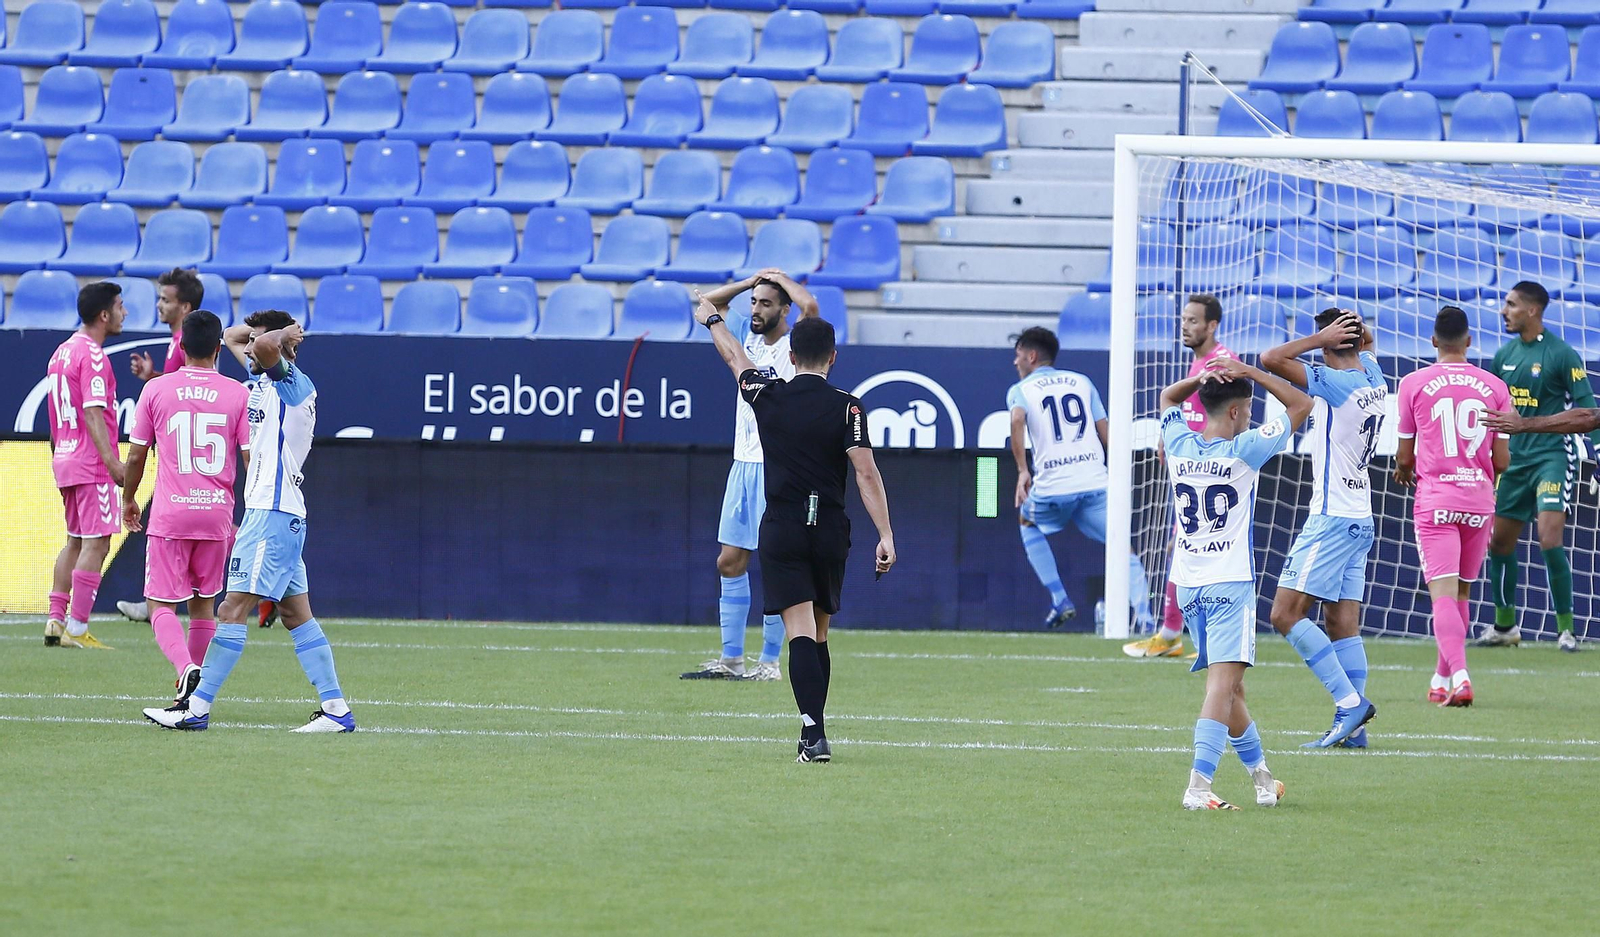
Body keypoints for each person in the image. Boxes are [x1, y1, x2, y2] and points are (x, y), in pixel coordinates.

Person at [693, 291, 895, 763]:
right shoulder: (849, 407)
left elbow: (734, 356)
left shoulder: (769, 394)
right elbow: (866, 473)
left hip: (783, 524)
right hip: (829, 527)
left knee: (800, 632)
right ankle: (815, 732)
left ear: (790, 355)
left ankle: (813, 733)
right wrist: (885, 534)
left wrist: (712, 321)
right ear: (833, 357)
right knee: (819, 633)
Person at [144, 310, 355, 733]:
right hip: (281, 515)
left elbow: (259, 346)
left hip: (270, 515)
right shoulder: (264, 382)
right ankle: (336, 710)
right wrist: (271, 331)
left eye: (265, 342)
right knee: (297, 617)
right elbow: (233, 336)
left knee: (231, 608)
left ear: (282, 348)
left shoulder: (293, 384)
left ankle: (196, 708)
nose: (251, 348)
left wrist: (283, 335)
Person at [1159, 355, 1311, 809]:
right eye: (1247, 408)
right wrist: (1253, 373)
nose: (1249, 414)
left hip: (1187, 583)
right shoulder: (1244, 450)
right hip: (1229, 583)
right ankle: (1198, 787)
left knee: (1232, 688)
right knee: (1221, 687)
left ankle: (1264, 779)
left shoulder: (1179, 442)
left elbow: (1168, 396)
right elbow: (1302, 403)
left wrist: (1200, 378)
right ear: (1235, 412)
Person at [681, 269, 820, 682]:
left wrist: (779, 277)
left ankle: (770, 662)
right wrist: (749, 282)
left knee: (777, 564)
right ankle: (731, 660)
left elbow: (811, 307)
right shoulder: (745, 335)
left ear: (784, 310)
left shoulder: (796, 346)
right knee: (730, 560)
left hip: (779, 467)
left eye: (765, 303)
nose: (756, 310)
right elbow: (707, 307)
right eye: (754, 303)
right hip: (743, 464)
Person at [1260, 309, 1384, 749]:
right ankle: (1356, 732)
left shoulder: (1338, 384)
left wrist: (1319, 339)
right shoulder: (1373, 375)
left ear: (1332, 341)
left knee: (1284, 615)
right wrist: (1346, 335)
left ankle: (1349, 704)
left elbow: (1270, 357)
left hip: (1331, 518)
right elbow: (1366, 345)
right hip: (1361, 518)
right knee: (1342, 626)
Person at [121, 310, 252, 703]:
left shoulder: (157, 390)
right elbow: (250, 460)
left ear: (180, 346)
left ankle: (185, 669)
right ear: (218, 349)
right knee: (203, 607)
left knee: (159, 603)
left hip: (171, 513)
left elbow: (136, 456)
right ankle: (190, 697)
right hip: (216, 515)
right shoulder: (237, 393)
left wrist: (128, 499)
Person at [1394, 307, 1511, 708]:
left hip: (1437, 502)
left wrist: (1402, 469)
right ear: (1470, 341)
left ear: (1432, 341)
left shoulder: (1413, 383)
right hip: (1479, 501)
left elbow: (1406, 456)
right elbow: (1503, 461)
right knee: (1461, 592)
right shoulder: (1494, 385)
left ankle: (1460, 677)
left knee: (1442, 595)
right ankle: (1441, 677)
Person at [1006, 326, 1154, 631]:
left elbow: (1017, 419)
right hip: (1096, 483)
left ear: (1031, 356)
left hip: (1052, 487)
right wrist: (1118, 475)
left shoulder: (1021, 390)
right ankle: (1147, 619)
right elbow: (1106, 433)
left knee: (1026, 521)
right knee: (1122, 547)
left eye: (1018, 356)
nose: (1015, 362)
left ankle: (1060, 598)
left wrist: (1023, 470)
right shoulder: (1081, 382)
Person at [1478, 282, 1599, 653]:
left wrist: (1597, 457)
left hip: (1553, 456)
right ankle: (1505, 626)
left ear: (1532, 310)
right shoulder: (1504, 356)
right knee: (1499, 542)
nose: (1504, 311)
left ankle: (1566, 630)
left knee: (1549, 538)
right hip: (1514, 460)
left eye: (1511, 305)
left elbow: (1589, 410)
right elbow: (1494, 415)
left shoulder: (1562, 354)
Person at [1127, 294, 1234, 659]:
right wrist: (1165, 436)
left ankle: (1177, 635)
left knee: (1191, 554)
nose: (1185, 326)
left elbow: (1227, 417)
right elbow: (1188, 408)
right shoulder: (1199, 364)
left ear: (1212, 325)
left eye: (1192, 320)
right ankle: (1181, 636)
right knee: (1186, 554)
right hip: (1192, 474)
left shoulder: (1221, 363)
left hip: (1209, 475)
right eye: (1183, 319)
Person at [43, 281, 128, 650]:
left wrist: (57, 453)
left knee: (75, 541)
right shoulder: (92, 355)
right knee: (98, 541)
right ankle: (77, 627)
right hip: (91, 461)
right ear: (104, 314)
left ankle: (55, 620)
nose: (125, 313)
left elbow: (54, 415)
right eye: (121, 307)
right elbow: (93, 411)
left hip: (64, 456)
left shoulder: (60, 353)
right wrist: (112, 463)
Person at [118, 267, 204, 626]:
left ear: (184, 307)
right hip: (178, 452)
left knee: (169, 525)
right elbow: (178, 387)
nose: (159, 305)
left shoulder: (186, 342)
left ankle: (158, 600)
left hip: (181, 454)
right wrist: (153, 377)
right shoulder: (176, 342)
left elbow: (189, 392)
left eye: (165, 300)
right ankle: (158, 598)